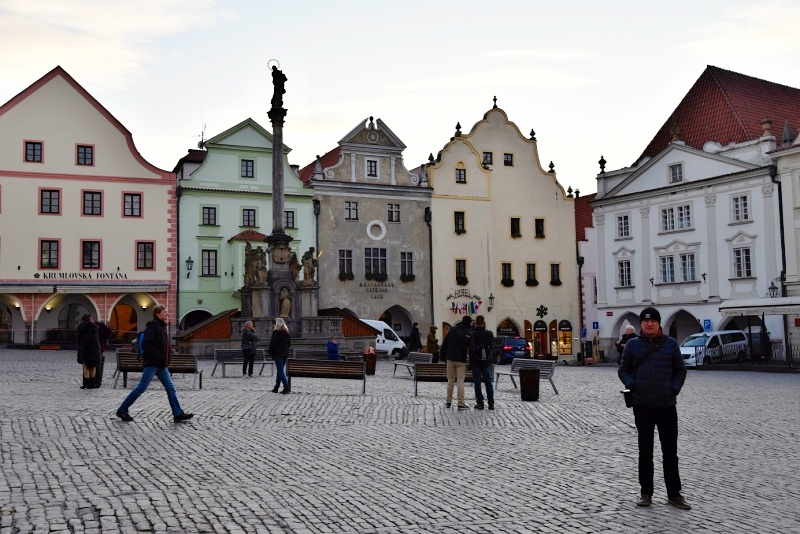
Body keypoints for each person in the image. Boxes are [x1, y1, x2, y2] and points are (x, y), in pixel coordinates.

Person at [618, 306, 690, 510]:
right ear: (641, 324)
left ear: (658, 323)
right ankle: (646, 493)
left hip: (667, 406)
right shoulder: (632, 345)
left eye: (653, 321)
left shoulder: (670, 344)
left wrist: (673, 389)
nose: (649, 324)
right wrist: (633, 384)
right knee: (645, 451)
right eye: (645, 321)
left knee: (670, 451)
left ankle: (674, 494)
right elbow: (623, 371)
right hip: (643, 406)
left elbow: (680, 370)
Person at [116, 306, 194, 423]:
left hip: (161, 364)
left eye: (167, 312)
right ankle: (122, 409)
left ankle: (177, 413)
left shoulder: (161, 327)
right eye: (165, 312)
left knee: (170, 388)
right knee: (141, 388)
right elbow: (147, 344)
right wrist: (158, 356)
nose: (167, 314)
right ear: (158, 314)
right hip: (153, 363)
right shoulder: (153, 327)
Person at [440, 315, 472, 410]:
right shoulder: (469, 333)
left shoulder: (452, 330)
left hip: (450, 358)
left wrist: (443, 357)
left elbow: (444, 343)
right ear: (469, 323)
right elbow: (471, 348)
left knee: (450, 381)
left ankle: (448, 401)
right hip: (461, 360)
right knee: (460, 381)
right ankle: (461, 403)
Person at [469, 315, 495, 410]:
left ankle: (480, 402)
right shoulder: (489, 333)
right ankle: (491, 402)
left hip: (476, 361)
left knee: (477, 382)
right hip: (486, 361)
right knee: (488, 381)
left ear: (476, 323)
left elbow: (471, 348)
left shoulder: (473, 333)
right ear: (484, 322)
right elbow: (492, 346)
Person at [76, 314, 101, 389]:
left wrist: (79, 350)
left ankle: (86, 384)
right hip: (94, 349)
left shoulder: (80, 327)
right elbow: (96, 339)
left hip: (84, 349)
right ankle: (92, 384)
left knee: (86, 366)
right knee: (93, 367)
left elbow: (79, 340)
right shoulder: (94, 327)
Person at [269, 317, 291, 393]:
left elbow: (272, 344)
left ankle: (286, 387)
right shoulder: (286, 333)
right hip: (285, 353)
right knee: (280, 370)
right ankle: (276, 387)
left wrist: (270, 352)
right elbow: (288, 344)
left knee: (280, 370)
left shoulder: (276, 333)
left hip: (278, 353)